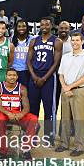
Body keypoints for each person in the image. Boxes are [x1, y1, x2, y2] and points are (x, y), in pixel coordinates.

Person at [56, 32, 84, 157]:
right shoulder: (66, 57)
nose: (74, 42)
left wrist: (70, 87)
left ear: (82, 42)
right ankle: (64, 144)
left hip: (79, 91)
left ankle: (79, 146)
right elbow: (61, 74)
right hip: (65, 90)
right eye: (72, 40)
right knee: (65, 119)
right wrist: (65, 87)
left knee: (79, 120)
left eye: (77, 40)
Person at [27, 17, 63, 145]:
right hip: (34, 77)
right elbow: (28, 61)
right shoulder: (34, 41)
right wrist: (34, 76)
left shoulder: (57, 41)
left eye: (47, 24)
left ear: (51, 25)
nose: (44, 26)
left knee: (49, 109)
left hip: (48, 77)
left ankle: (49, 137)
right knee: (33, 109)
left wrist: (44, 78)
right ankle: (33, 136)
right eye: (42, 24)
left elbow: (56, 63)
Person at [0, 68, 38, 160]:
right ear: (5, 76)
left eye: (14, 75)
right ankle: (3, 151)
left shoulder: (22, 88)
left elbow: (26, 107)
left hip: (17, 113)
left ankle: (26, 148)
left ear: (17, 77)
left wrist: (21, 114)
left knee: (33, 119)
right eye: (9, 75)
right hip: (2, 113)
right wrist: (8, 113)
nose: (12, 77)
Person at [12, 20, 34, 86]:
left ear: (27, 27)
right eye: (19, 26)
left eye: (24, 26)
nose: (21, 28)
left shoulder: (32, 39)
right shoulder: (11, 39)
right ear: (16, 28)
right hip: (14, 70)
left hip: (27, 70)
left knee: (26, 92)